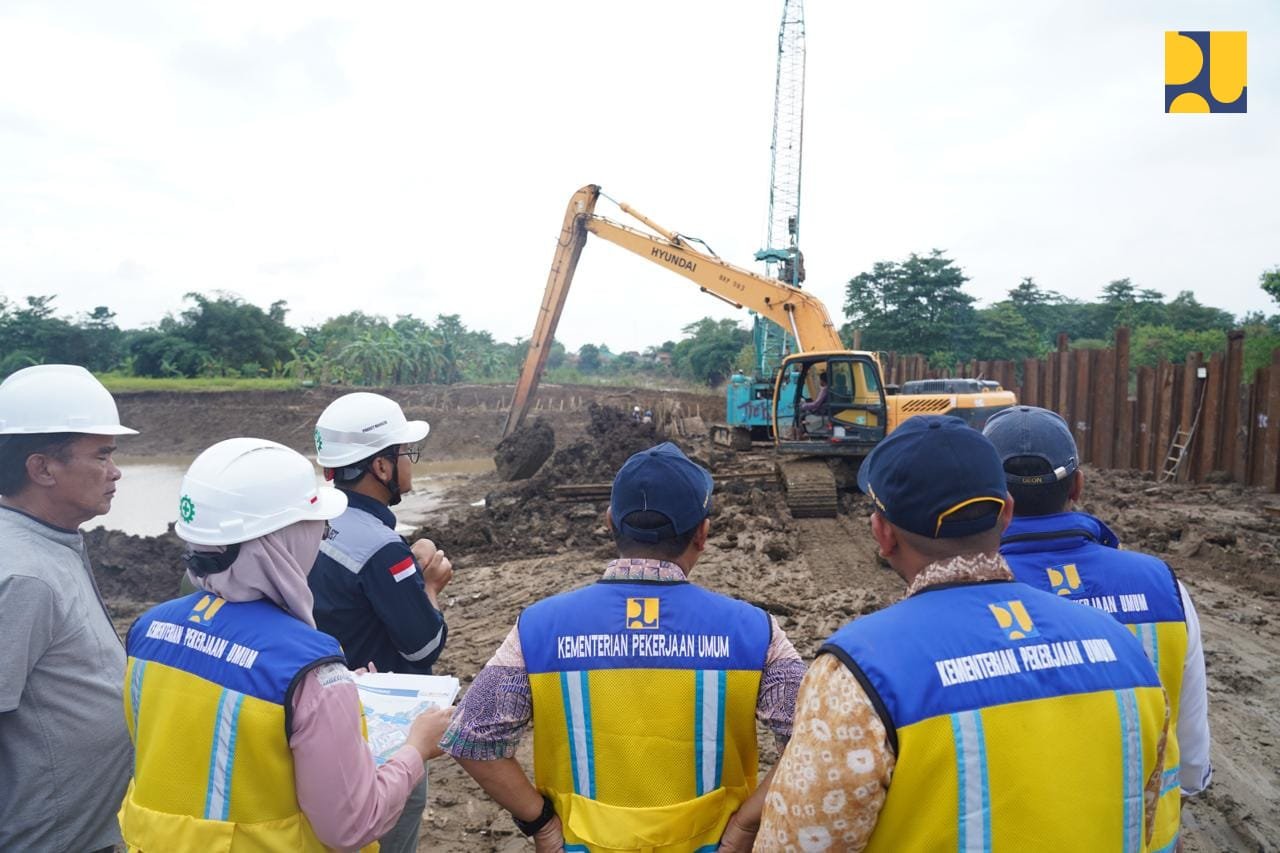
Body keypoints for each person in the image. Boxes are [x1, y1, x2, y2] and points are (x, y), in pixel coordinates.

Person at [758, 415, 1170, 851]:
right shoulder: (1124, 650)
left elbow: (799, 842)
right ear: (1006, 512)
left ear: (882, 533)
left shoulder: (857, 672)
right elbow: (1146, 817)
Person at [442, 442, 805, 852]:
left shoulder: (539, 629)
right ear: (702, 534)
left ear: (610, 522)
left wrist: (541, 824)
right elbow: (812, 740)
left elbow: (471, 739)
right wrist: (745, 826)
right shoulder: (755, 632)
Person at [118, 438, 452, 851]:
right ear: (283, 539)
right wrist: (416, 749)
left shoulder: (149, 630)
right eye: (319, 526)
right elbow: (352, 824)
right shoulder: (311, 668)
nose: (321, 536)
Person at [984, 405, 1212, 850]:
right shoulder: (1163, 587)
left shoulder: (959, 598)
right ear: (1078, 485)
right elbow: (1190, 756)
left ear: (989, 496)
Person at [0, 364, 137, 853]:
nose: (116, 470)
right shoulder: (23, 575)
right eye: (102, 455)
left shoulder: (49, 543)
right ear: (41, 468)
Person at [309, 392, 453, 853]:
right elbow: (424, 646)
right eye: (404, 452)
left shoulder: (310, 521)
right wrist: (429, 588)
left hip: (319, 710)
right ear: (382, 467)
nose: (411, 462)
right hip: (378, 726)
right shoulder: (381, 546)